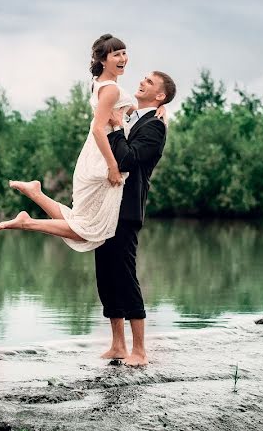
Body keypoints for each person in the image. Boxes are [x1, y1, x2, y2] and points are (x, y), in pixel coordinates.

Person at [0, 34, 164, 251]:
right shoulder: (111, 89)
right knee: (92, 228)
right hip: (104, 156)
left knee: (86, 225)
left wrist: (161, 106)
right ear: (103, 61)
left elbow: (130, 113)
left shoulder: (99, 84)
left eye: (124, 53)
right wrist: (112, 167)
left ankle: (35, 196)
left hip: (95, 154)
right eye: (116, 54)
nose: (123, 58)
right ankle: (28, 220)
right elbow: (97, 128)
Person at [95, 69, 175, 366]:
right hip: (108, 205)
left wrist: (115, 130)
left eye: (149, 82)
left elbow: (127, 160)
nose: (142, 82)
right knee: (106, 274)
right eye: (143, 78)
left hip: (127, 208)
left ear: (160, 96)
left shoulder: (155, 126)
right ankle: (117, 345)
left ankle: (139, 350)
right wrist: (119, 122)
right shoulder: (130, 114)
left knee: (125, 274)